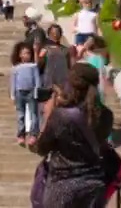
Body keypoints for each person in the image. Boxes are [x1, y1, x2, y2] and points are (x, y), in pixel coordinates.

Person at [33, 62, 116, 208]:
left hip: (62, 187)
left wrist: (48, 116)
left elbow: (41, 148)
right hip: (94, 186)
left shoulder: (61, 116)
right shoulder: (106, 115)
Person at [11, 41, 41, 146]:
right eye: (24, 53)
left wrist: (37, 91)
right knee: (20, 115)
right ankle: (21, 135)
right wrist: (12, 95)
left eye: (28, 53)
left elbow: (37, 80)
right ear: (19, 55)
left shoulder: (33, 66)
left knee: (34, 114)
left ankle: (33, 134)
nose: (26, 55)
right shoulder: (16, 68)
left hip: (31, 92)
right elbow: (13, 82)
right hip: (20, 92)